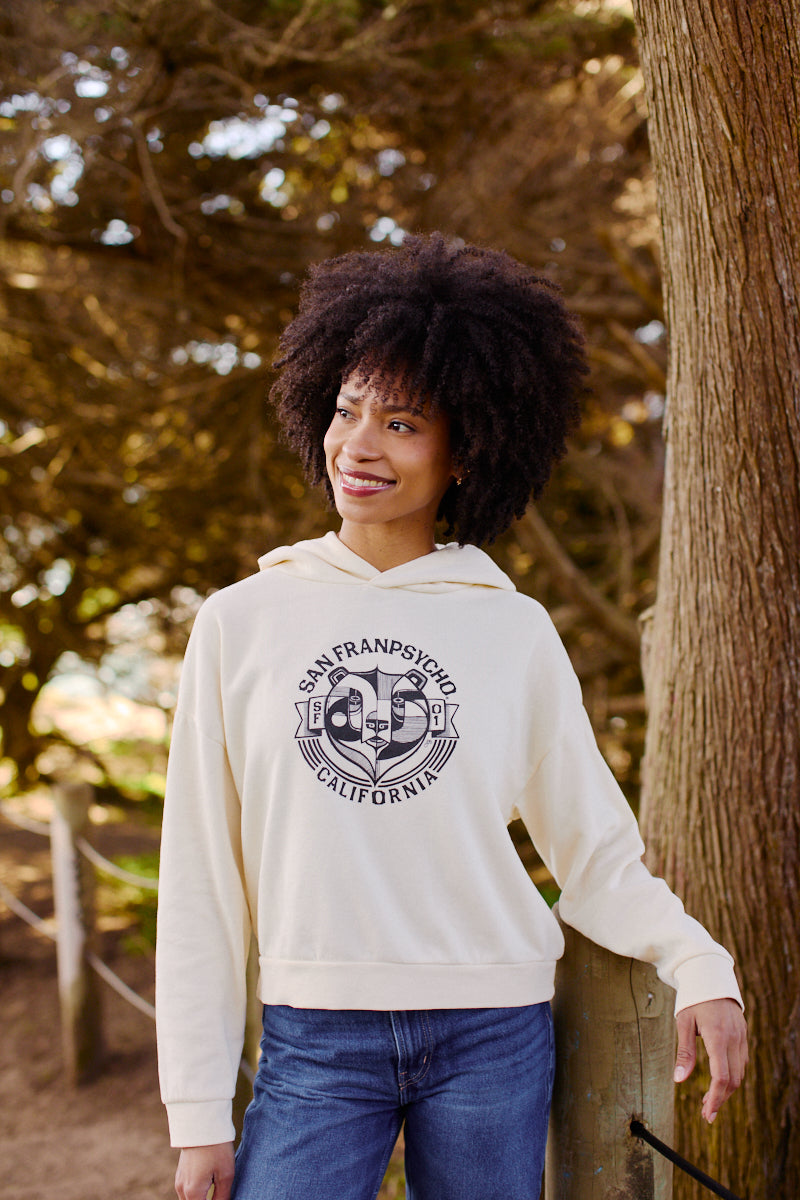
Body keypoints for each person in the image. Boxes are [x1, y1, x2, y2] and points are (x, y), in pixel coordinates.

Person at [155, 232, 747, 1200]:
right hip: (314, 1035)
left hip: (493, 1032)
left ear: (466, 445)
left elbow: (592, 852)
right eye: (347, 411)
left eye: (401, 422)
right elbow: (199, 880)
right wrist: (196, 1117)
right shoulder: (239, 624)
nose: (358, 445)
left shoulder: (510, 630)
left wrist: (698, 962)